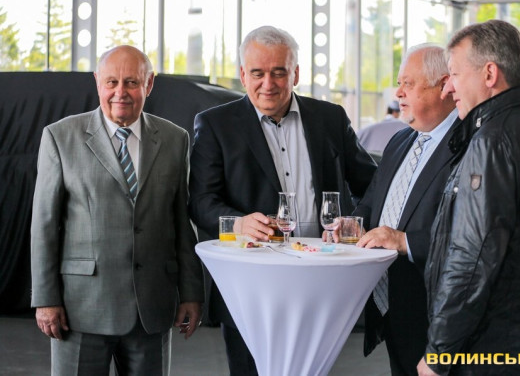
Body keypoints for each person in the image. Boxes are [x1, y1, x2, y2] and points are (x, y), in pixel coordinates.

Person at [188, 25, 377, 375]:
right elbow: (200, 202)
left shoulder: (330, 118)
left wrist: (356, 221)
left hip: (320, 281)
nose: (268, 84)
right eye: (257, 73)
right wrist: (239, 223)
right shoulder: (215, 125)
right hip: (251, 285)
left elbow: (371, 184)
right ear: (243, 75)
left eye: (279, 72)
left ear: (296, 74)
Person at [31, 45, 204, 375]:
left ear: (149, 84)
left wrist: (191, 292)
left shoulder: (175, 139)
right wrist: (45, 299)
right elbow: (44, 226)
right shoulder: (60, 137)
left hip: (152, 307)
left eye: (131, 82)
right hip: (80, 309)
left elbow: (183, 223)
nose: (120, 92)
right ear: (98, 81)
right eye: (111, 82)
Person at [419, 20, 520, 376]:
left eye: (455, 74)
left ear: (489, 74)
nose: (448, 88)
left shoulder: (491, 143)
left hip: (489, 351)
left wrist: (438, 353)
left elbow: (471, 260)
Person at [351, 44, 458, 375]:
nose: (398, 93)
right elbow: (372, 203)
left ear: (443, 86)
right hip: (392, 308)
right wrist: (351, 224)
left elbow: (469, 236)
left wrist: (404, 241)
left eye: (408, 84)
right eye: (399, 83)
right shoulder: (400, 141)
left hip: (438, 315)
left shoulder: (470, 145)